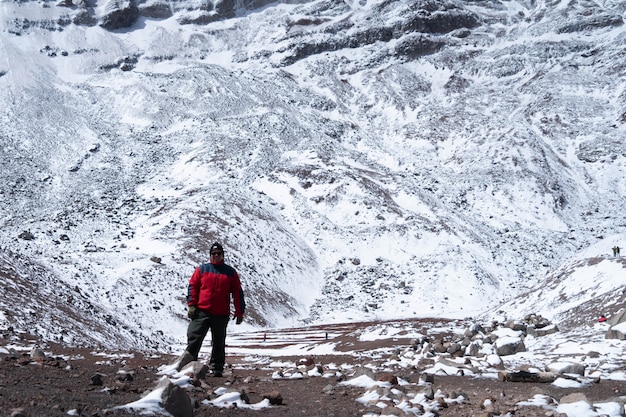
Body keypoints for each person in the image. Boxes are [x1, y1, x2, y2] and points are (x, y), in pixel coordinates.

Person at [182, 242, 245, 376]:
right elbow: (193, 286)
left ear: (223, 255)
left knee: (218, 341)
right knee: (194, 337)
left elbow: (237, 293)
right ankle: (188, 365)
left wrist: (239, 312)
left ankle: (216, 368)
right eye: (214, 253)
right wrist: (192, 305)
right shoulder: (202, 269)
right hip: (201, 311)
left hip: (221, 314)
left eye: (219, 253)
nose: (216, 256)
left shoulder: (230, 273)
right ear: (210, 255)